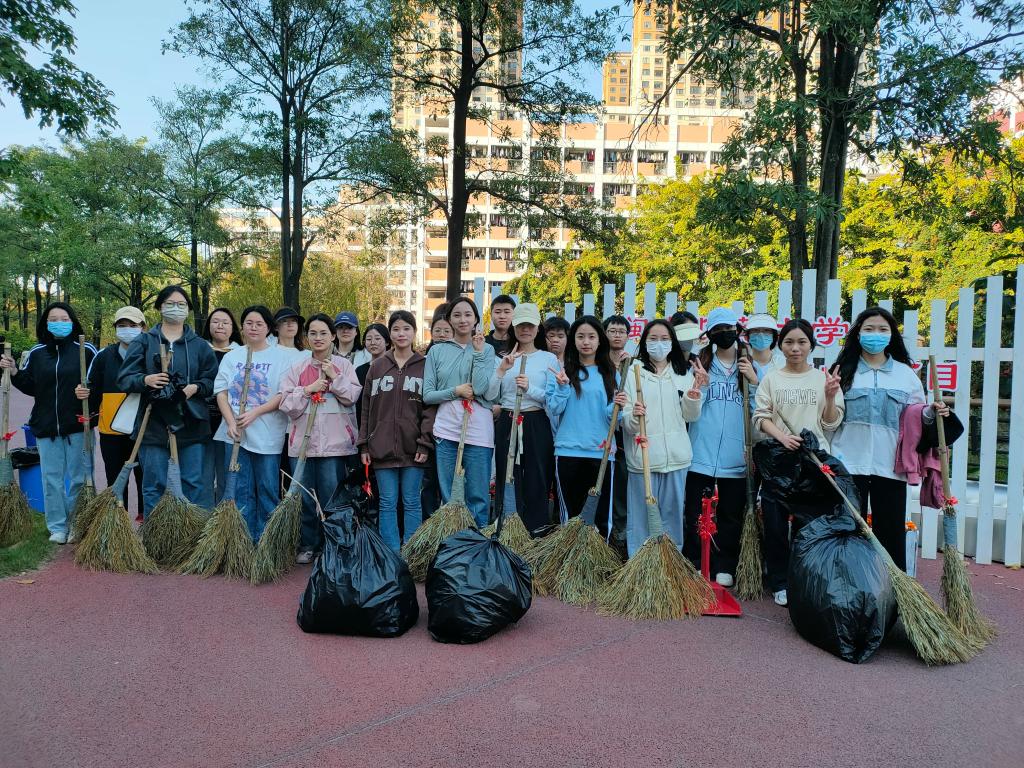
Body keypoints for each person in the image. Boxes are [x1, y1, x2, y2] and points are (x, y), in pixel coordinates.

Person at [831, 307, 947, 571]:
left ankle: (894, 588)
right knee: (849, 530)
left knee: (891, 532)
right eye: (869, 329)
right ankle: (848, 585)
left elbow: (917, 416)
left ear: (892, 335)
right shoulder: (842, 371)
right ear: (858, 334)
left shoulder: (905, 375)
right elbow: (828, 418)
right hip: (849, 463)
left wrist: (933, 412)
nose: (876, 334)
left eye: (883, 329)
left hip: (891, 465)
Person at [753, 318, 845, 605]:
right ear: (780, 345)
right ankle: (780, 582)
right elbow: (761, 417)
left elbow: (830, 424)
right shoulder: (772, 379)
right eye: (789, 342)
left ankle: (805, 578)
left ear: (811, 345)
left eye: (802, 342)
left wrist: (830, 397)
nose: (795, 348)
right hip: (779, 461)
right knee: (776, 524)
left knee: (811, 523)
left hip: (813, 460)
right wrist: (782, 437)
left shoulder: (823, 379)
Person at [118, 286, 218, 518]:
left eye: (181, 304)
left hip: (191, 423)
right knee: (155, 484)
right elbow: (124, 379)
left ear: (188, 309)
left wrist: (196, 388)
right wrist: (146, 380)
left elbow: (212, 380)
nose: (176, 308)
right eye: (170, 304)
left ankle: (190, 534)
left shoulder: (200, 346)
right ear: (160, 307)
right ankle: (156, 534)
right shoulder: (144, 342)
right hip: (153, 425)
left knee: (193, 483)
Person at [3, 303, 96, 543]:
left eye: (64, 319)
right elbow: (31, 386)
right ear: (45, 323)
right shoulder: (37, 352)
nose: (59, 323)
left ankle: (78, 523)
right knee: (51, 479)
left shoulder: (86, 350)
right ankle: (57, 526)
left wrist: (89, 393)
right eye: (53, 319)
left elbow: (98, 383)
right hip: (46, 427)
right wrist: (14, 372)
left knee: (80, 478)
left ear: (72, 322)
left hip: (78, 426)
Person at [682, 308, 759, 588]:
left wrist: (754, 381)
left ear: (737, 330)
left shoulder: (749, 366)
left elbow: (760, 411)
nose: (724, 334)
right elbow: (690, 412)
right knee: (694, 512)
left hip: (736, 455)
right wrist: (700, 386)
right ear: (710, 335)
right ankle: (694, 561)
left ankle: (725, 564)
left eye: (728, 328)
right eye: (717, 330)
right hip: (700, 453)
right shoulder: (700, 364)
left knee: (730, 514)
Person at [280, 314, 362, 562]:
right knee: (304, 498)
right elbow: (286, 404)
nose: (318, 338)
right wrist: (307, 389)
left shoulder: (344, 366)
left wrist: (334, 377)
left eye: (323, 333)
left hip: (335, 446)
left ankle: (332, 546)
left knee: (331, 498)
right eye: (313, 333)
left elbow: (352, 397)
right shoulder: (298, 368)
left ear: (333, 336)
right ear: (306, 337)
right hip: (303, 445)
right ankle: (308, 544)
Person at [622, 319, 705, 556]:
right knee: (641, 520)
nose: (659, 344)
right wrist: (633, 415)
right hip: (644, 459)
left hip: (676, 458)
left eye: (665, 339)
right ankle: (640, 568)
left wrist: (693, 395)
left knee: (672, 518)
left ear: (673, 343)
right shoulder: (633, 372)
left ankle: (670, 566)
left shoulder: (683, 373)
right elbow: (626, 422)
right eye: (653, 339)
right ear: (644, 342)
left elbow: (690, 417)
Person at [358, 311, 435, 551]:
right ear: (390, 333)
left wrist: (425, 442)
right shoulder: (377, 367)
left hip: (414, 448)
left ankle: (411, 552)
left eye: (406, 329)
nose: (401, 334)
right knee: (387, 503)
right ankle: (391, 554)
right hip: (381, 448)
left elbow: (430, 409)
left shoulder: (425, 366)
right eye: (396, 329)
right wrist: (364, 444)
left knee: (411, 502)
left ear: (414, 332)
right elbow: (366, 408)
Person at [214, 305, 292, 540]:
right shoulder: (232, 356)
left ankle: (267, 541)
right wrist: (230, 422)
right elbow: (221, 392)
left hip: (268, 435)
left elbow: (283, 394)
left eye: (259, 324)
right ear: (242, 327)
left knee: (267, 489)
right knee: (240, 490)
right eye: (249, 323)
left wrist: (255, 412)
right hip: (235, 434)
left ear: (269, 328)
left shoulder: (281, 357)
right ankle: (244, 541)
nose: (254, 328)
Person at [546, 315, 627, 538]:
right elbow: (554, 408)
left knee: (601, 517)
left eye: (591, 337)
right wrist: (563, 387)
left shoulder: (610, 373)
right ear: (573, 340)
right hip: (568, 451)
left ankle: (601, 558)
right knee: (570, 517)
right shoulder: (562, 371)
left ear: (600, 340)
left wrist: (619, 406)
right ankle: (568, 558)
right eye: (580, 336)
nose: (586, 342)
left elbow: (612, 418)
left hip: (601, 452)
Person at [423, 297, 497, 527]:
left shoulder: (487, 349)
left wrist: (478, 353)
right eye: (457, 315)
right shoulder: (437, 351)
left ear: (476, 319)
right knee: (450, 495)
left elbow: (482, 388)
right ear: (449, 319)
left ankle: (478, 541)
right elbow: (428, 394)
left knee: (478, 496)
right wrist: (455, 391)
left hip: (479, 430)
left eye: (468, 315)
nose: (463, 320)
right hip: (447, 429)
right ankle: (452, 541)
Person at [486, 303, 557, 534]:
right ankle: (507, 530)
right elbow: (490, 394)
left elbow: (552, 399)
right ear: (513, 327)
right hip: (508, 420)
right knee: (507, 474)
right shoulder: (502, 358)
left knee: (537, 475)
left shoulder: (548, 359)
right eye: (520, 325)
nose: (525, 330)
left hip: (536, 421)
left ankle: (537, 531)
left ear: (538, 328)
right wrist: (502, 370)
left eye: (530, 325)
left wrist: (530, 389)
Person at [88, 306, 146, 517]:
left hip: (143, 430)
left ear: (143, 327)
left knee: (144, 477)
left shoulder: (151, 355)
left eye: (133, 325)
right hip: (111, 430)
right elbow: (92, 388)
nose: (127, 329)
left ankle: (145, 519)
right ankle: (119, 521)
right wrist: (89, 414)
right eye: (122, 325)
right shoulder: (104, 356)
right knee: (115, 479)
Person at [200, 307, 241, 507]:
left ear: (233, 328)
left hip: (230, 419)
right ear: (208, 325)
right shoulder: (199, 350)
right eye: (215, 321)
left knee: (227, 470)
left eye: (225, 322)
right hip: (203, 418)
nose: (220, 326)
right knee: (204, 472)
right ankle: (205, 513)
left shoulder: (241, 353)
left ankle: (225, 513)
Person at [603, 314, 632, 554]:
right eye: (612, 331)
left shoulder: (633, 365)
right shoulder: (598, 364)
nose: (616, 335)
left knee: (621, 485)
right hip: (600, 433)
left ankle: (620, 535)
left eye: (621, 331)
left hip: (624, 436)